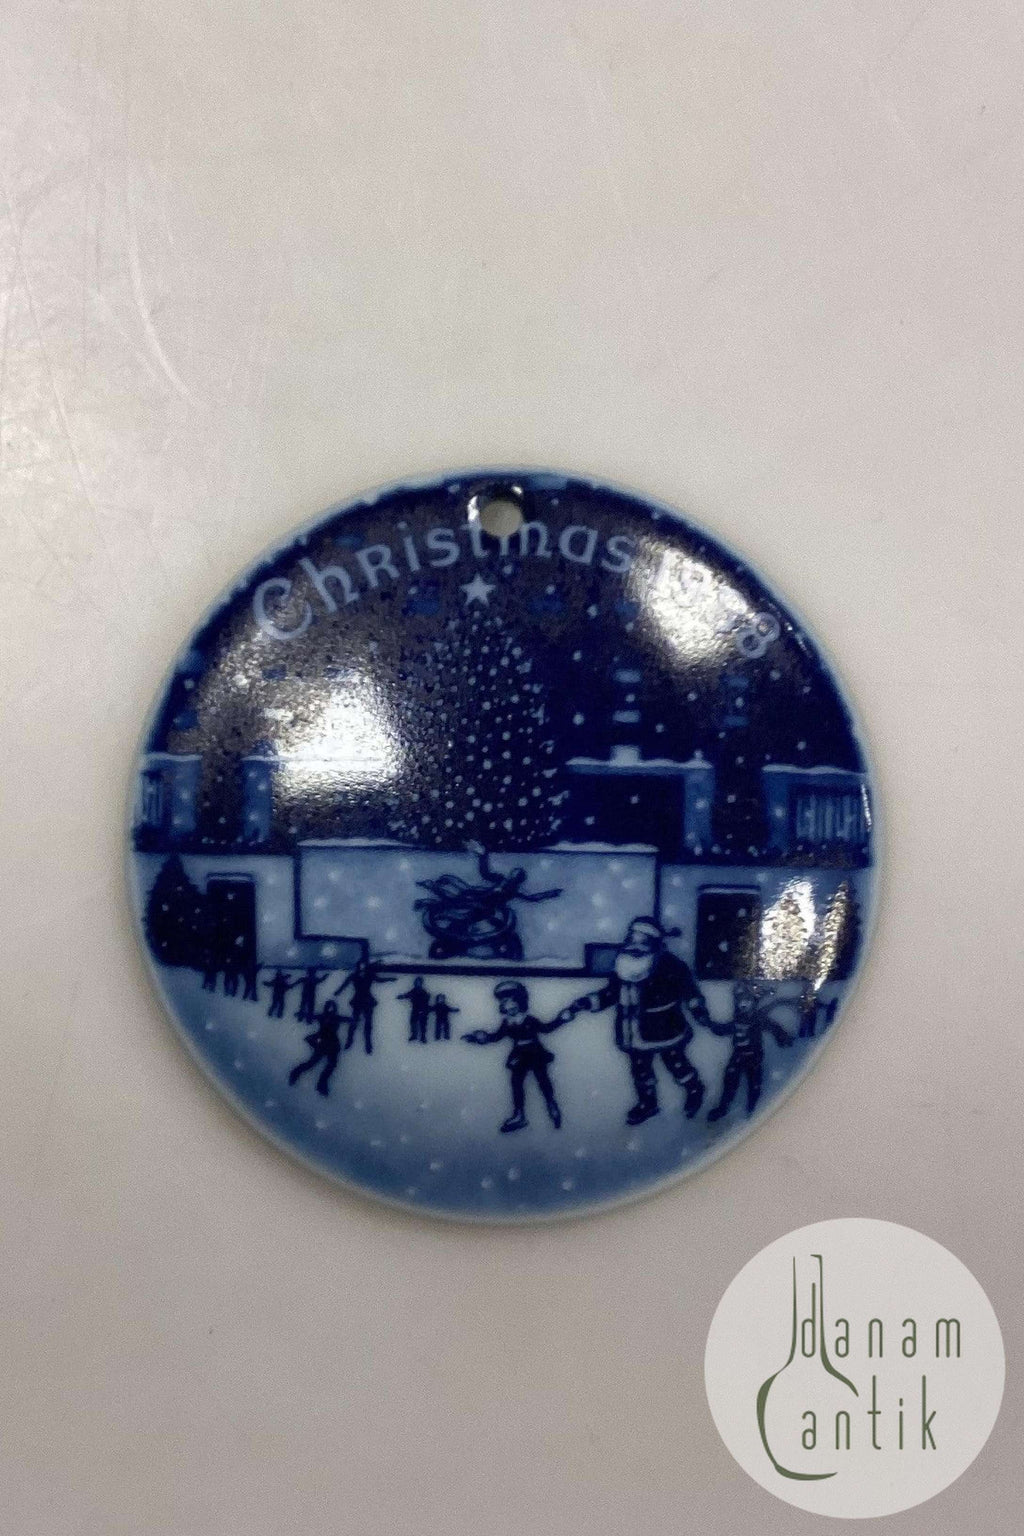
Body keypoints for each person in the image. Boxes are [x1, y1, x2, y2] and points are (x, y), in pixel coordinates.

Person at [559, 916, 711, 1125]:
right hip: (632, 1030)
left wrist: (698, 1009)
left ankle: (694, 1089)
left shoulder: (670, 965)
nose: (635, 944)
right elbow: (611, 993)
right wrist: (586, 1003)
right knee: (640, 1069)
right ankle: (648, 1102)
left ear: (654, 942)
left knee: (676, 1063)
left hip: (665, 1028)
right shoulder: (624, 964)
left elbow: (689, 991)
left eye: (642, 940)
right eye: (632, 938)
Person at [463, 980, 565, 1133]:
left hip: (535, 1052)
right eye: (504, 1003)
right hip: (519, 1055)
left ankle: (552, 1106)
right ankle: (519, 1114)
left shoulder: (529, 1020)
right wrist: (479, 1038)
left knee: (543, 1081)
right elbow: (497, 1036)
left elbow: (546, 1028)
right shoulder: (507, 1023)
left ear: (519, 1002)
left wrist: (561, 1019)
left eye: (510, 1002)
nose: (507, 1006)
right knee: (516, 1084)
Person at [706, 980, 794, 1121]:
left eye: (746, 1001)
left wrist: (783, 1037)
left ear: (752, 1001)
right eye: (740, 1001)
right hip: (738, 1055)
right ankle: (724, 1107)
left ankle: (753, 1108)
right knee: (730, 1080)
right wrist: (712, 1026)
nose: (743, 1005)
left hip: (754, 1055)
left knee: (754, 1082)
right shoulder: (738, 1019)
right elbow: (725, 1029)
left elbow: (773, 1026)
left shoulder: (757, 1018)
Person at [334, 958, 394, 1055]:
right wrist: (338, 991)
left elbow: (380, 980)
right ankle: (349, 1040)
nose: (361, 968)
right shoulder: (355, 975)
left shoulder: (369, 975)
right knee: (354, 1022)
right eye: (360, 966)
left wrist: (390, 979)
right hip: (358, 1001)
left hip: (367, 1001)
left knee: (367, 1024)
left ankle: (368, 1044)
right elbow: (345, 984)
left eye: (363, 966)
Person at [288, 999, 345, 1098]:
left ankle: (321, 1084)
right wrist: (302, 1014)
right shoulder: (326, 1017)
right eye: (329, 1009)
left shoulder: (332, 1017)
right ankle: (296, 1074)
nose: (330, 1012)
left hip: (330, 1044)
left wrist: (302, 1014)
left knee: (329, 1065)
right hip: (324, 1043)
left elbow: (310, 1016)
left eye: (332, 1009)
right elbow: (310, 1016)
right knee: (314, 1063)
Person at [397, 976, 432, 1043]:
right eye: (417, 982)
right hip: (415, 1009)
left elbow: (426, 1000)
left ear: (421, 983)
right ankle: (414, 1035)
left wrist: (426, 1007)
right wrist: (402, 996)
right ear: (415, 983)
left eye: (419, 982)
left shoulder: (423, 991)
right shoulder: (413, 990)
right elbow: (408, 995)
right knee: (413, 1022)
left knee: (422, 1023)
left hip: (423, 1009)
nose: (418, 983)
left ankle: (423, 1037)